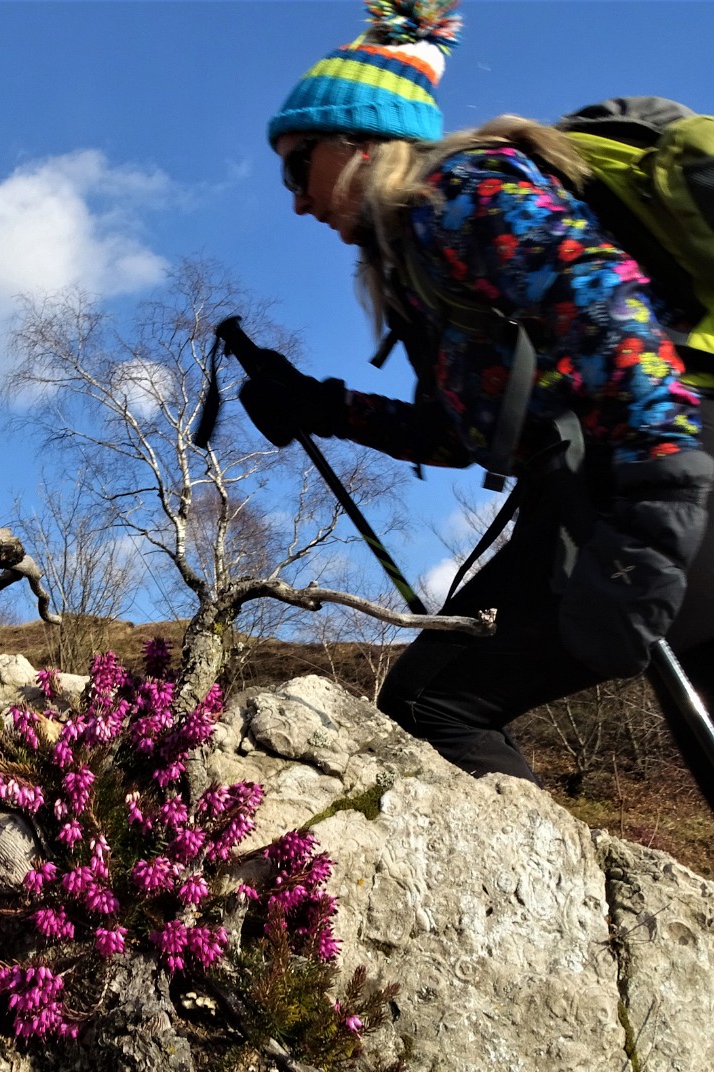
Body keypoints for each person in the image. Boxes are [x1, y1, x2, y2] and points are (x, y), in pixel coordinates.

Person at [239, 0, 714, 808]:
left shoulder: (459, 195)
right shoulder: (419, 268)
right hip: (611, 486)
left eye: (296, 165)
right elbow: (461, 436)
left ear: (359, 141)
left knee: (435, 703)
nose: (295, 200)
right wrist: (316, 405)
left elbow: (608, 314)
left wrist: (654, 516)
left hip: (659, 472)